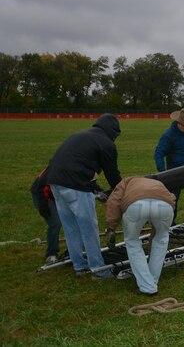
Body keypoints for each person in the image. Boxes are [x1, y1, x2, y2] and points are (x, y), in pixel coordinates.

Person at [46, 113, 122, 279]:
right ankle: (98, 269)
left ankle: (79, 266)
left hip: (55, 183)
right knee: (89, 228)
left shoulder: (79, 135)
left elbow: (78, 165)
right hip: (75, 186)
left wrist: (97, 190)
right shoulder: (106, 143)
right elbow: (112, 175)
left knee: (71, 228)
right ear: (113, 132)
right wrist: (123, 190)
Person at [105, 176, 176, 296]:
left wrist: (110, 227)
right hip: (165, 205)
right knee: (161, 239)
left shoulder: (126, 182)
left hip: (135, 205)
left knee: (132, 242)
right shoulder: (158, 183)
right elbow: (172, 198)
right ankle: (151, 281)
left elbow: (114, 201)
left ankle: (148, 286)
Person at [30, 165, 62, 265]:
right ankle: (51, 254)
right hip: (42, 195)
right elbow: (39, 186)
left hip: (57, 195)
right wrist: (43, 205)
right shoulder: (55, 167)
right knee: (55, 223)